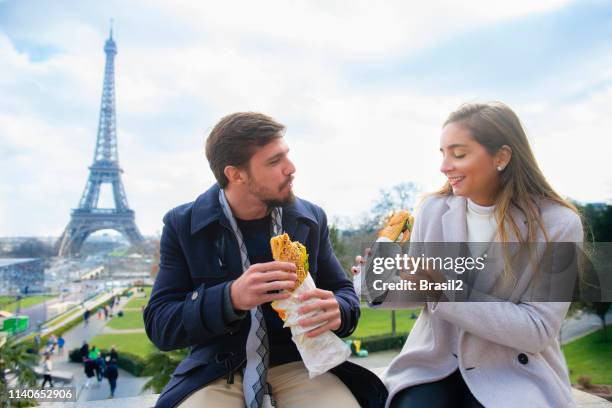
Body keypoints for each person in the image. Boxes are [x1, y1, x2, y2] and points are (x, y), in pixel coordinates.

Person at [144, 112, 386, 408]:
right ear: (236, 174)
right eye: (274, 162)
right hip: (218, 369)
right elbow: (160, 324)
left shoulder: (310, 219)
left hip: (300, 363)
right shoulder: (183, 225)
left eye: (287, 155)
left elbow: (344, 293)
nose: (291, 168)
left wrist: (339, 310)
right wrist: (230, 297)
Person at [355, 102, 583, 408]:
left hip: (513, 369)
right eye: (443, 153)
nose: (444, 166)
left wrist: (446, 291)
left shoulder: (559, 223)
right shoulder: (432, 211)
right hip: (434, 363)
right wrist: (374, 284)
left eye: (459, 154)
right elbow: (423, 292)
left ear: (501, 156)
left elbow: (538, 330)